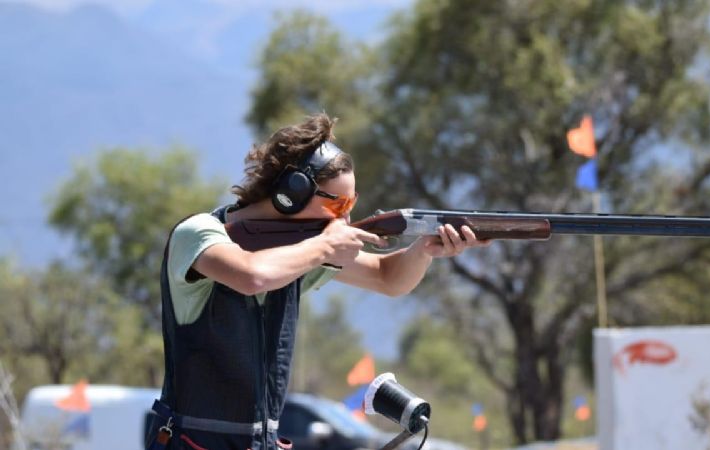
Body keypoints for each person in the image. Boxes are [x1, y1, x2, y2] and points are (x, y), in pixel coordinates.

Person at [146, 113, 488, 450]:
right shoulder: (199, 233)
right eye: (338, 204)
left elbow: (389, 278)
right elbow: (253, 276)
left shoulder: (298, 253)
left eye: (351, 203)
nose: (347, 217)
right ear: (291, 193)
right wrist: (324, 245)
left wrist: (424, 249)